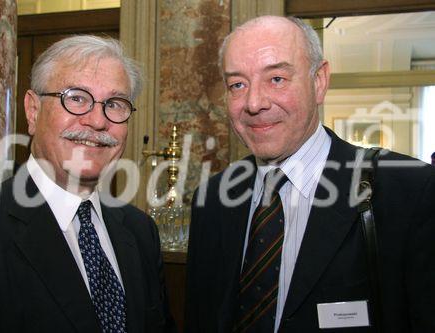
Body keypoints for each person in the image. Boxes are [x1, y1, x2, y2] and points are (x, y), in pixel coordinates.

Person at [185, 16, 435, 333]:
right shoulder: (212, 200)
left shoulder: (409, 191)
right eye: (238, 84)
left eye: (276, 79)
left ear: (319, 81)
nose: (254, 103)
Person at [0, 36, 174, 332]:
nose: (98, 121)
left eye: (114, 103)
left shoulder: (140, 232)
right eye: (76, 98)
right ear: (33, 111)